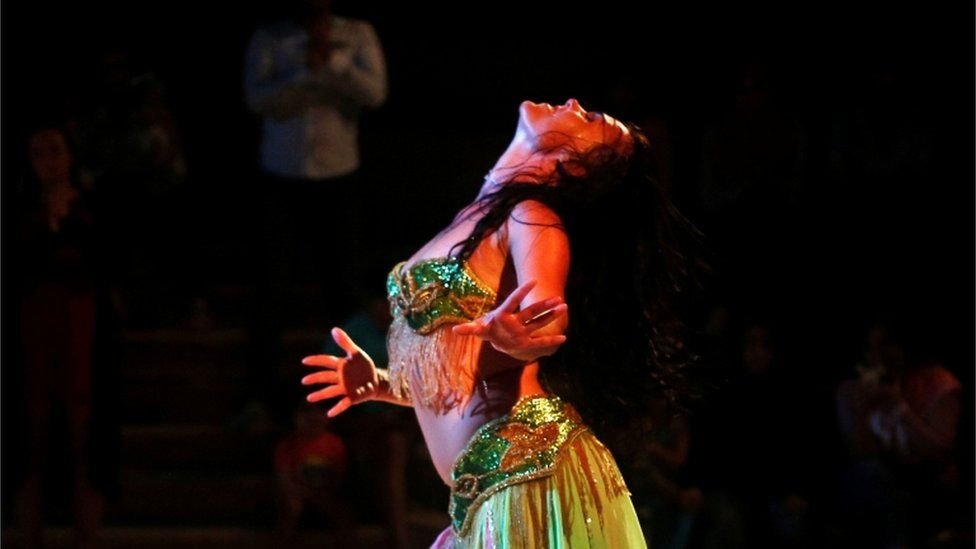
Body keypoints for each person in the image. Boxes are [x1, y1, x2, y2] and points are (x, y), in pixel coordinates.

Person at [302, 98, 699, 547]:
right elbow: (463, 373)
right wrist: (384, 384)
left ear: (576, 165)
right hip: (487, 493)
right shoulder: (472, 217)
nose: (574, 103)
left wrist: (522, 338)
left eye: (590, 119)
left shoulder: (531, 217)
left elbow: (546, 317)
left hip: (527, 473)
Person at [241, 0, 387, 427]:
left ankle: (359, 397)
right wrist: (307, 72)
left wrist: (333, 64)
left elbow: (374, 93)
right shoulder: (271, 37)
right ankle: (260, 396)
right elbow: (258, 99)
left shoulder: (356, 33)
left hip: (338, 172)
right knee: (271, 286)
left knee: (344, 283)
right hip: (280, 172)